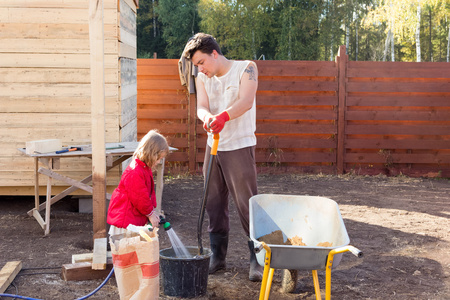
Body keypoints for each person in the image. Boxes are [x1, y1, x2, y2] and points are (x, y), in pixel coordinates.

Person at [182, 33, 263, 281]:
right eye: (196, 66)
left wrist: (223, 117)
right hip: (213, 147)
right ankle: (218, 257)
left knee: (246, 204)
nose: (200, 69)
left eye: (201, 63)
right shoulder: (202, 77)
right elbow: (201, 107)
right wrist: (207, 118)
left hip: (239, 145)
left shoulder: (246, 68)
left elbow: (246, 101)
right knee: (214, 204)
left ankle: (257, 260)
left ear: (214, 54)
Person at [107, 130, 169, 235]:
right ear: (151, 154)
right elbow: (140, 198)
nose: (159, 162)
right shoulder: (135, 171)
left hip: (132, 218)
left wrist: (154, 211)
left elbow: (148, 194)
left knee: (135, 248)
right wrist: (150, 214)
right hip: (126, 222)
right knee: (127, 248)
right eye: (159, 158)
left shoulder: (143, 168)